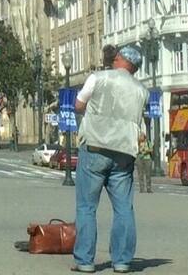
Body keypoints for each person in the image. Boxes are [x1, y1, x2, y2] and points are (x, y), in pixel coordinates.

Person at [70, 46, 151, 273]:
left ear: (119, 59)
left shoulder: (98, 77)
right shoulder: (141, 90)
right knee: (124, 207)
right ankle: (122, 260)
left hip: (95, 146)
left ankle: (85, 260)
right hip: (124, 152)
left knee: (86, 206)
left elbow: (78, 104)